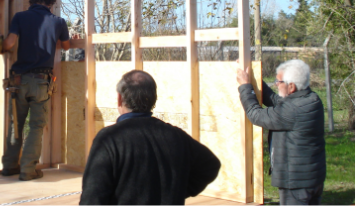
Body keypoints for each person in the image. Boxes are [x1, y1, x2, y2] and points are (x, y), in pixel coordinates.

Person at [80, 70, 221, 205]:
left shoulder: (109, 139)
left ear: (119, 99)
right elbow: (210, 165)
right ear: (154, 99)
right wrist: (177, 191)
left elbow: (92, 197)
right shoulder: (176, 136)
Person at [0, 0, 71, 181]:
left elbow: (9, 44)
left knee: (16, 124)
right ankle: (28, 170)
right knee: (36, 126)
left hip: (18, 80)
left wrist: (1, 45)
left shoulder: (20, 17)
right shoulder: (59, 22)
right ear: (51, 4)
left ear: (32, 1)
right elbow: (65, 46)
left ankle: (9, 166)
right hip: (40, 82)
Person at [237, 59, 326, 205]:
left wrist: (245, 87)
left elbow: (255, 115)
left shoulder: (292, 110)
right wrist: (253, 79)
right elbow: (274, 99)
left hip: (296, 184)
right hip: (312, 178)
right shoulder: (312, 99)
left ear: (291, 86)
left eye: (278, 82)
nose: (276, 84)